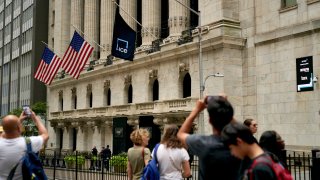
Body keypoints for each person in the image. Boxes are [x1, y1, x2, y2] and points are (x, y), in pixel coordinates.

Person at [177, 95, 240, 180]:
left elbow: (181, 134)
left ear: (210, 121)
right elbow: (244, 131)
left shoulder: (203, 143)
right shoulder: (240, 143)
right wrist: (225, 107)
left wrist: (197, 109)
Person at [0, 110, 49, 179]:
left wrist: (18, 121)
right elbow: (45, 135)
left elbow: (7, 130)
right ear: (19, 128)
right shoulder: (28, 143)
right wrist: (35, 118)